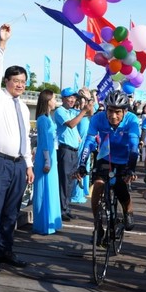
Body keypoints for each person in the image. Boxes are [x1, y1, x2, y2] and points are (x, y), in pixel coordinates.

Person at [0, 24, 34, 275]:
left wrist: (29, 165)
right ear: (6, 81)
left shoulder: (23, 107)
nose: (20, 85)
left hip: (18, 164)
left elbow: (26, 138)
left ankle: (5, 250)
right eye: (16, 81)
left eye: (23, 82)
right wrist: (2, 43)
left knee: (12, 211)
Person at [77, 90, 140, 232]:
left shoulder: (132, 120)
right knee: (98, 185)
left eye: (117, 112)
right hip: (106, 157)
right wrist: (82, 164)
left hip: (125, 158)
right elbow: (88, 142)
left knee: (120, 187)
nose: (113, 116)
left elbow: (134, 146)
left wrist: (131, 168)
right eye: (110, 111)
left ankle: (128, 211)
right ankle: (97, 224)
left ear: (124, 111)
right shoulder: (98, 118)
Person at [54, 87, 92, 220]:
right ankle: (61, 210)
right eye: (69, 98)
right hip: (65, 150)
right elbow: (71, 124)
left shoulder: (72, 111)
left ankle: (66, 207)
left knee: (71, 181)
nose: (72, 100)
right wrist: (83, 111)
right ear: (63, 98)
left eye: (74, 98)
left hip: (74, 151)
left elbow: (90, 113)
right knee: (64, 181)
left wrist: (88, 101)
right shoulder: (60, 111)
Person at [32, 89, 62, 235]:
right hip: (46, 157)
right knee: (44, 189)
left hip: (51, 155)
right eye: (54, 99)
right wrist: (47, 161)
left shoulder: (49, 118)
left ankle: (51, 221)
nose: (56, 101)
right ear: (47, 101)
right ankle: (43, 223)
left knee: (51, 188)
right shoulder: (43, 119)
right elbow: (44, 142)